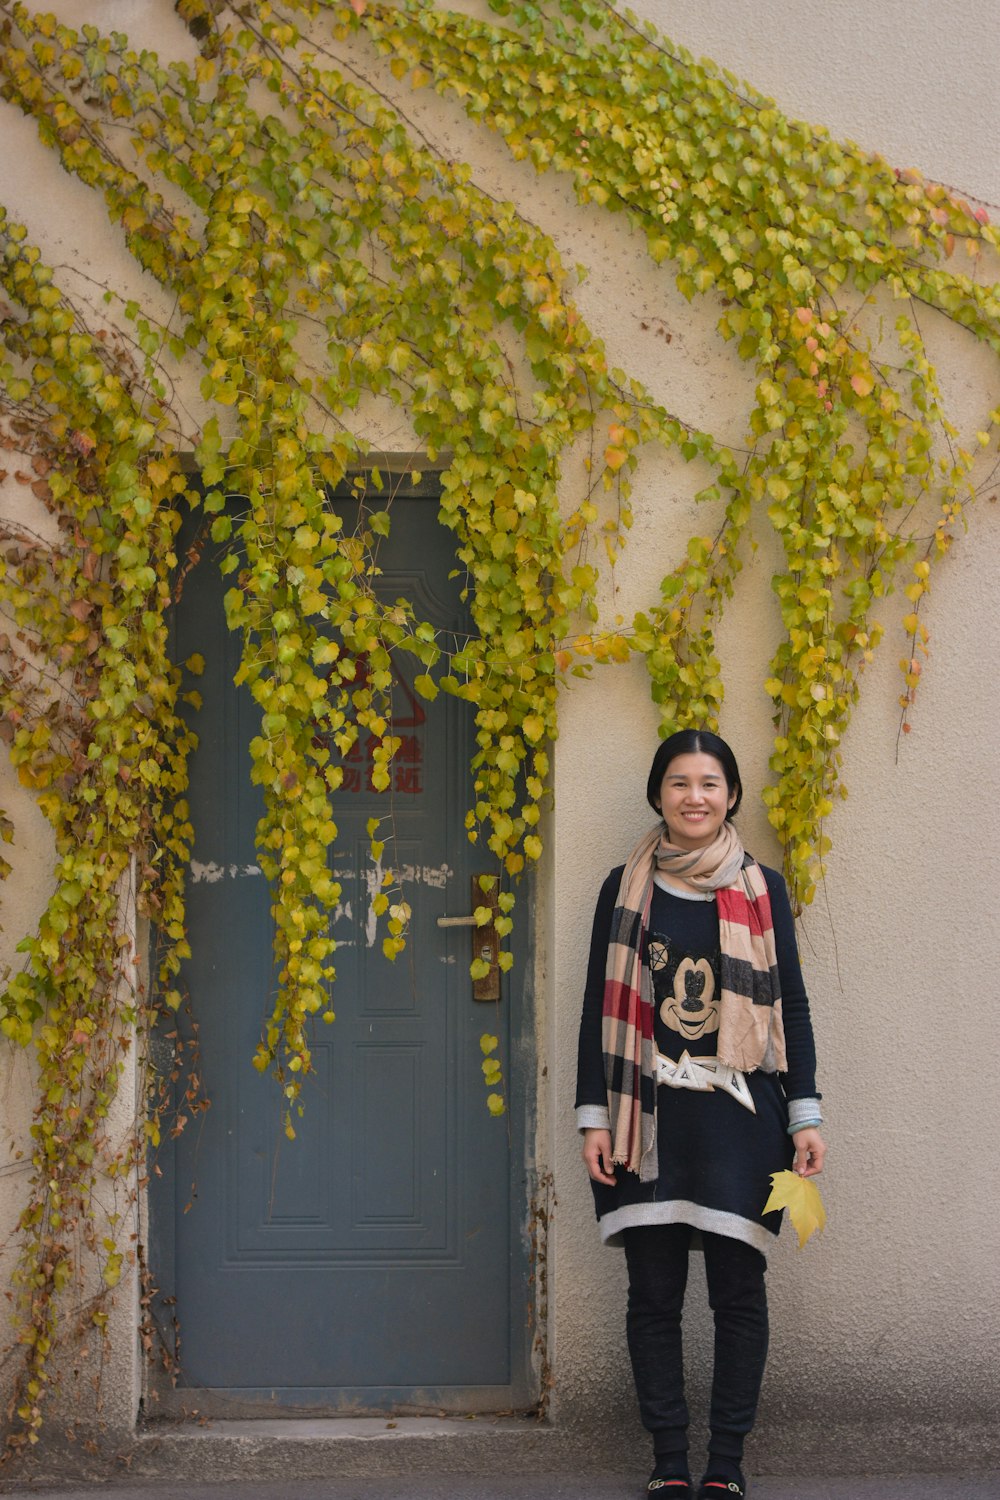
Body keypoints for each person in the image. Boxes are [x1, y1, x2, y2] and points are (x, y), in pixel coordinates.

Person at [575, 728, 826, 1500]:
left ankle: (725, 1465)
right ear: (659, 794)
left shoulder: (762, 887)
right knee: (652, 1295)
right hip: (643, 1120)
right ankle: (669, 1460)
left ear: (731, 795)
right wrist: (591, 1117)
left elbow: (790, 1003)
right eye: (679, 782)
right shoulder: (625, 887)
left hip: (741, 1120)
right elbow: (598, 1007)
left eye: (710, 783)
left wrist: (806, 1115)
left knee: (737, 1293)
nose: (694, 796)